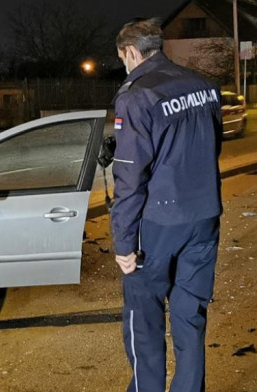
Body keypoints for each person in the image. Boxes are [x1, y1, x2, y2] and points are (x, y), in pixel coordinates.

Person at [111, 18, 223, 392]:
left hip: (157, 224)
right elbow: (212, 148)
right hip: (204, 217)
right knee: (190, 318)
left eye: (123, 59)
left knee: (144, 323)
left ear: (130, 52)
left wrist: (124, 244)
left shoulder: (137, 94)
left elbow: (129, 177)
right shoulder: (203, 86)